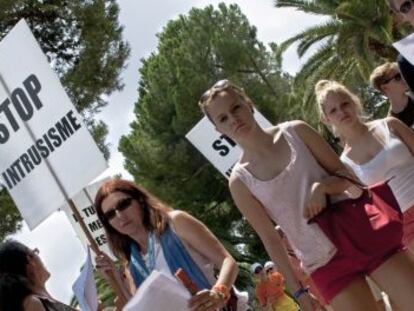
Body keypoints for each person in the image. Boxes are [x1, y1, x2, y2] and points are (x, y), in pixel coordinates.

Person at [198, 79, 414, 311]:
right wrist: (300, 292)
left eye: (235, 108)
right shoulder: (240, 181)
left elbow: (349, 177)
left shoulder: (296, 131)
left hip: (361, 231)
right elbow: (271, 239)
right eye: (223, 118)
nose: (233, 119)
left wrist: (322, 188)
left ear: (248, 104)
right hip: (322, 263)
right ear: (218, 130)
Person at [94, 178, 242, 311]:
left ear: (139, 200)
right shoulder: (132, 265)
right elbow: (138, 306)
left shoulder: (176, 222)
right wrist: (115, 279)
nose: (120, 216)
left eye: (124, 204)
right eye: (110, 215)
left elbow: (227, 261)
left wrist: (218, 293)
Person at [315, 79, 414, 255]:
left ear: (354, 102)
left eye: (344, 104)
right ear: (326, 118)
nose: (341, 112)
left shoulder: (390, 124)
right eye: (333, 110)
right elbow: (368, 205)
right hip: (404, 227)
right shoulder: (344, 164)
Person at [0, 240, 76, 311]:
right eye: (34, 252)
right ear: (29, 262)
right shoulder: (32, 304)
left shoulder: (45, 302)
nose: (38, 255)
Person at [370, 62, 414, 129]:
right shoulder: (393, 125)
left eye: (402, 73)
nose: (403, 77)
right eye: (398, 77)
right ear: (385, 87)